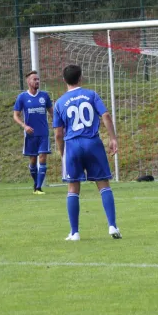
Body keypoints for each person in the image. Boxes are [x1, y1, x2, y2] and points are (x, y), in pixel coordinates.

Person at [53, 64, 121, 241]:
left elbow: (58, 133)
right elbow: (105, 116)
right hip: (93, 143)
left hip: (72, 145)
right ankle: (112, 226)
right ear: (80, 78)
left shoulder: (60, 102)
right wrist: (113, 138)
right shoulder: (92, 95)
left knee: (73, 187)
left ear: (64, 80)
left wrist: (63, 153)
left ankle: (74, 232)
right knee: (103, 184)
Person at [13, 70, 53, 194]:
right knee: (33, 161)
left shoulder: (44, 96)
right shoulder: (22, 97)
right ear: (28, 81)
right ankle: (36, 183)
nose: (37, 81)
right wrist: (24, 126)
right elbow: (16, 115)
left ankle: (39, 187)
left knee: (42, 157)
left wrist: (58, 124)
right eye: (34, 79)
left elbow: (52, 112)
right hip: (30, 134)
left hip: (43, 133)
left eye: (38, 79)